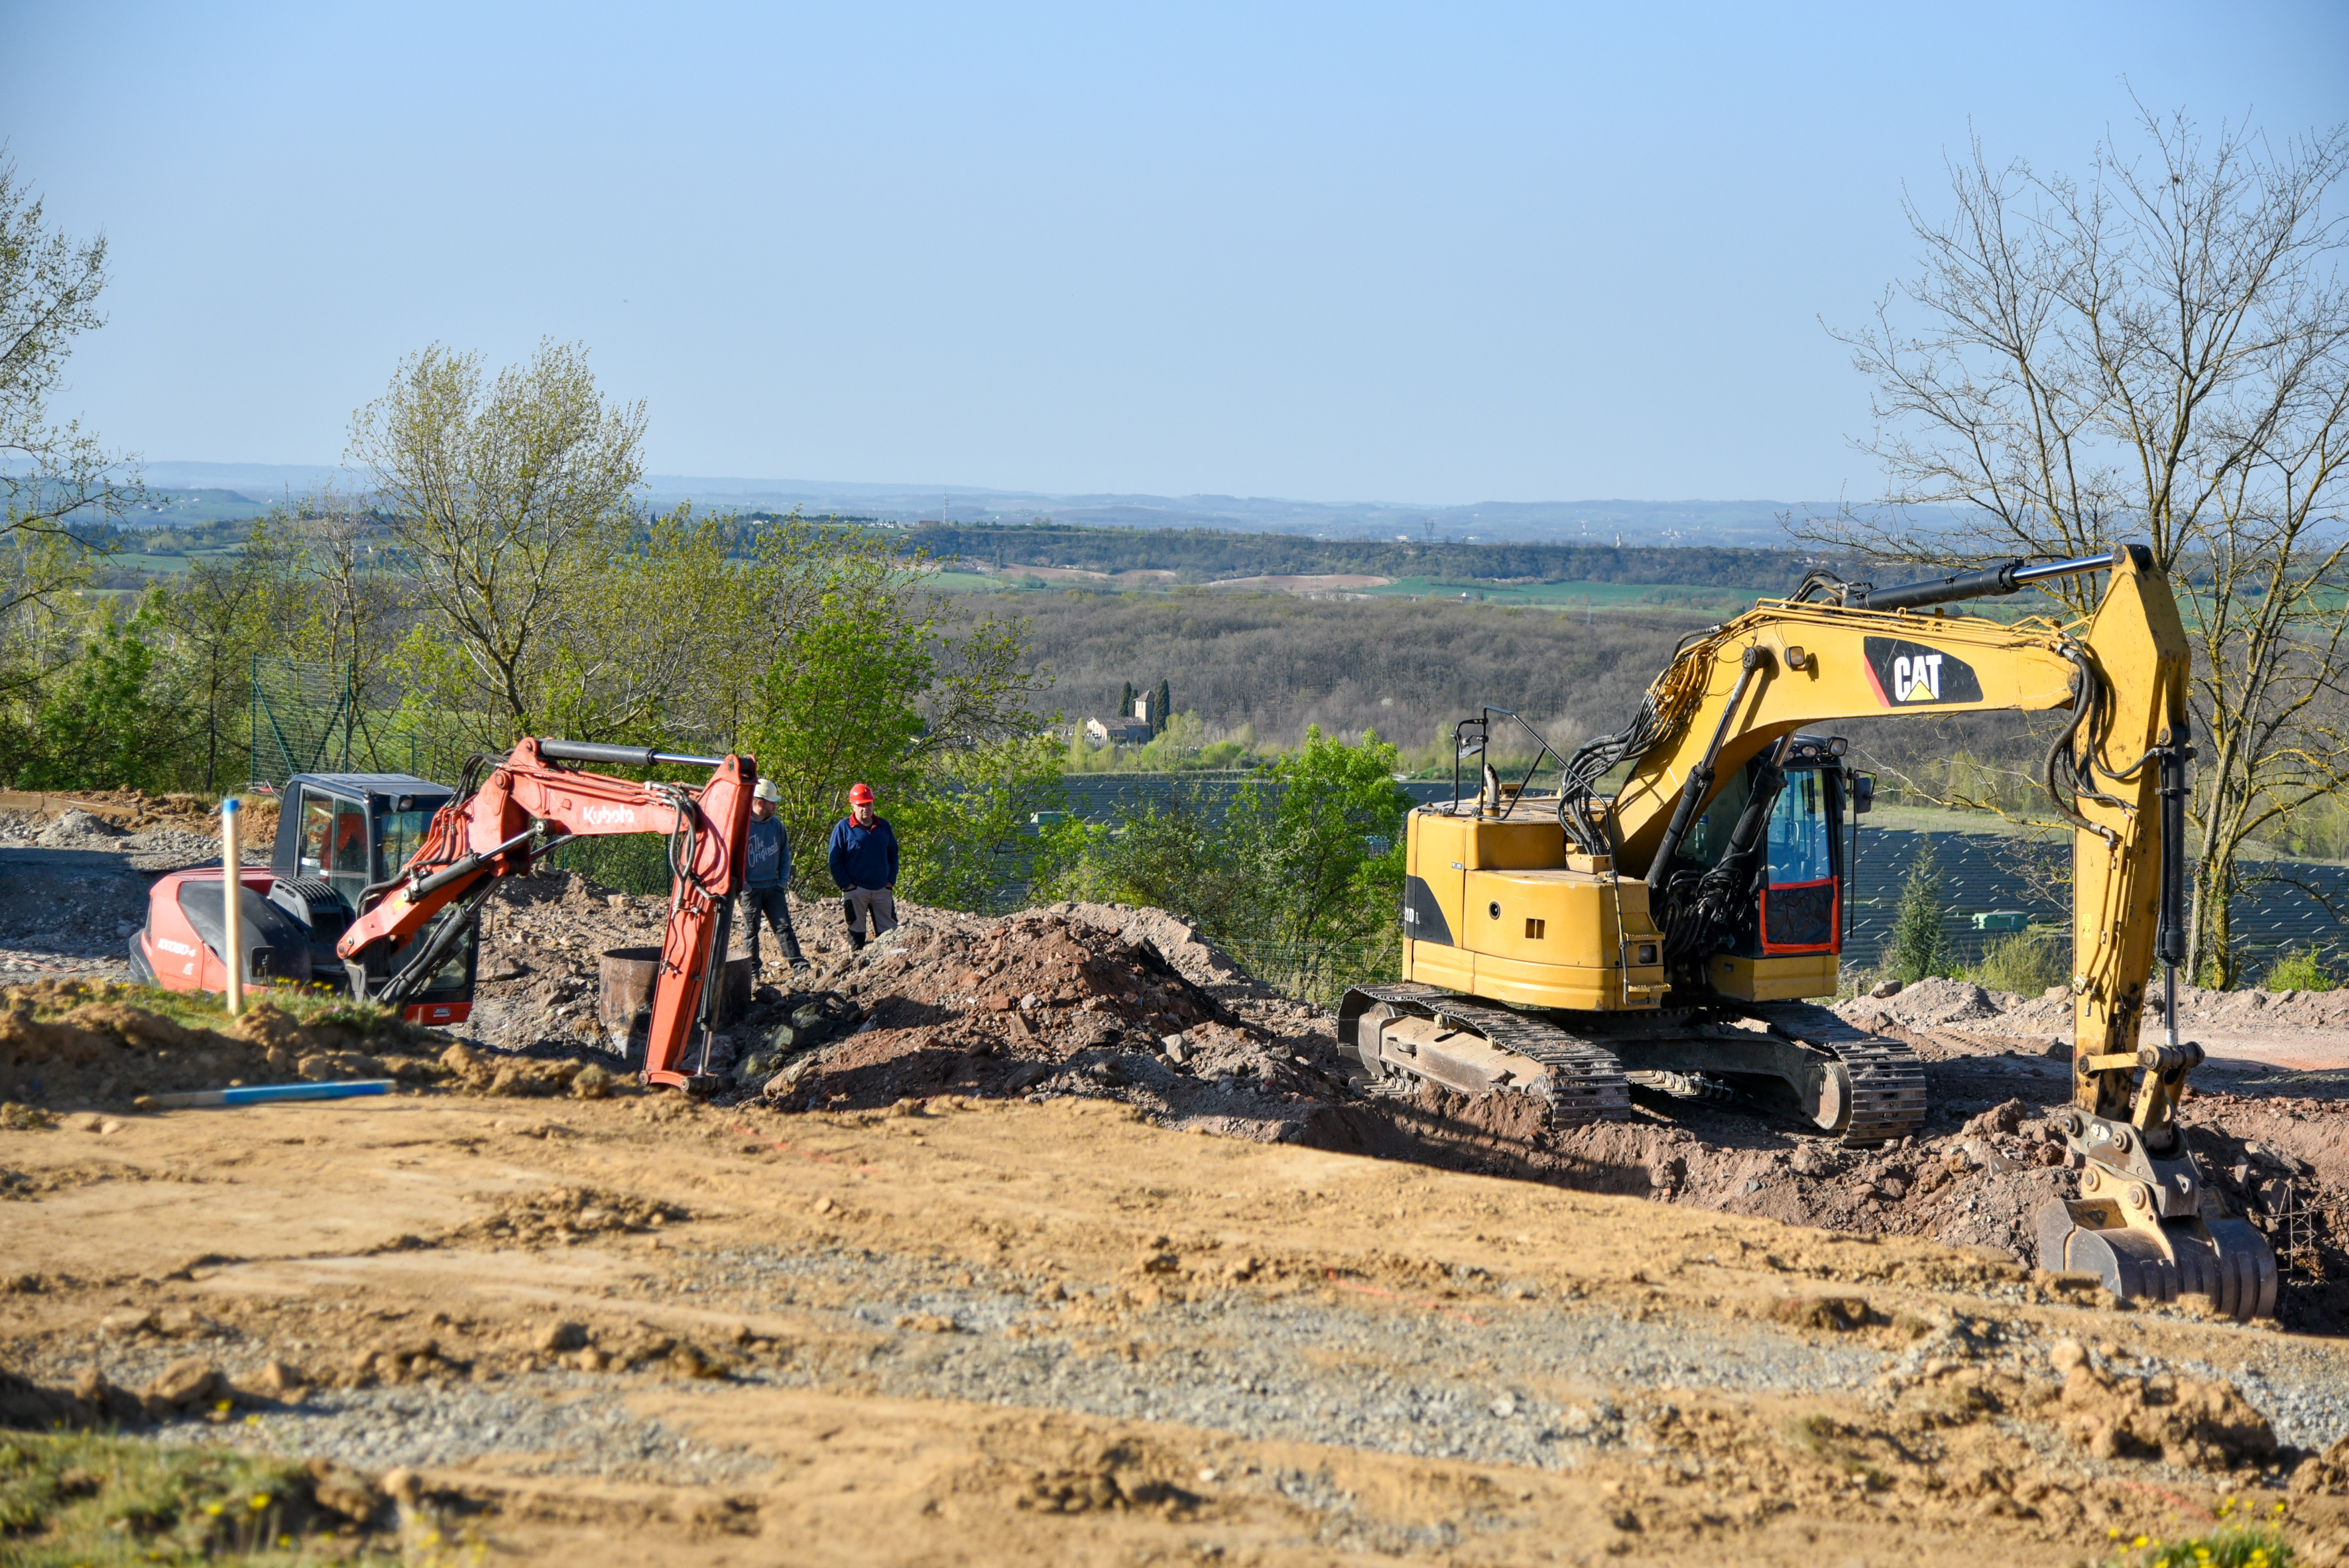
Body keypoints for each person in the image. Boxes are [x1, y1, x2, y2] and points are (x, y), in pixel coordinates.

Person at [739, 778, 806, 974]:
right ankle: (752, 972)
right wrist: (744, 885)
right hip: (751, 890)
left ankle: (800, 967)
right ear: (760, 803)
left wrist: (783, 881)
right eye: (772, 803)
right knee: (751, 932)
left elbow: (785, 854)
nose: (775, 806)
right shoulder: (741, 826)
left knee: (784, 927)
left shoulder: (776, 825)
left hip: (773, 888)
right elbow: (733, 858)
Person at [826, 782, 899, 950]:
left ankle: (888, 964)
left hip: (882, 889)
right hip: (856, 890)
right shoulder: (843, 828)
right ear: (853, 806)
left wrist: (891, 881)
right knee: (856, 933)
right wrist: (847, 886)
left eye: (869, 804)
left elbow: (893, 854)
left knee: (890, 935)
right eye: (861, 805)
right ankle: (856, 962)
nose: (866, 808)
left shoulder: (884, 826)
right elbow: (835, 860)